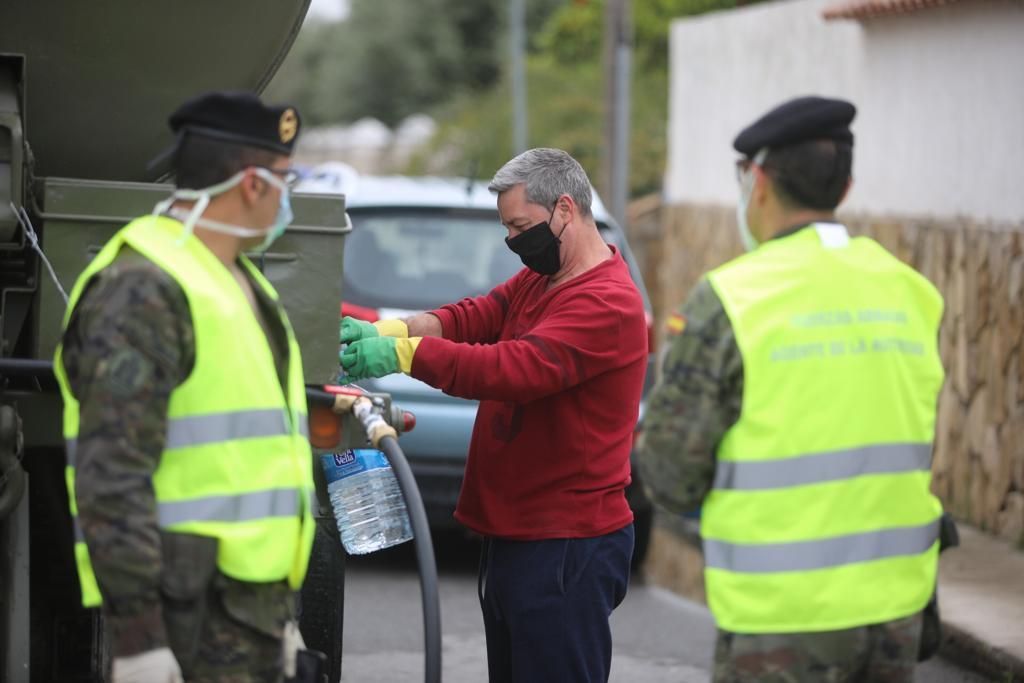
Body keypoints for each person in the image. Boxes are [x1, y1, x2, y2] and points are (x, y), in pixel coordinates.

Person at [637, 95, 948, 683]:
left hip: (782, 623)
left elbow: (670, 474)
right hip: (897, 614)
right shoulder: (913, 292)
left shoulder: (731, 299)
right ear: (846, 186)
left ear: (757, 181)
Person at [339, 148, 648, 683]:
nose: (512, 241)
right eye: (507, 227)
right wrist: (390, 330)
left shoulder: (607, 303)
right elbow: (477, 316)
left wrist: (403, 357)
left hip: (565, 543)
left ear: (566, 210)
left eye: (520, 226)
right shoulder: (542, 278)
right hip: (518, 532)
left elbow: (517, 368)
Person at [54, 91, 316, 683]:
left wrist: (279, 618)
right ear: (253, 184)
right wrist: (138, 640)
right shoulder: (143, 288)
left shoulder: (235, 280)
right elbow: (111, 474)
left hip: (247, 614)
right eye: (285, 178)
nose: (288, 194)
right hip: (185, 621)